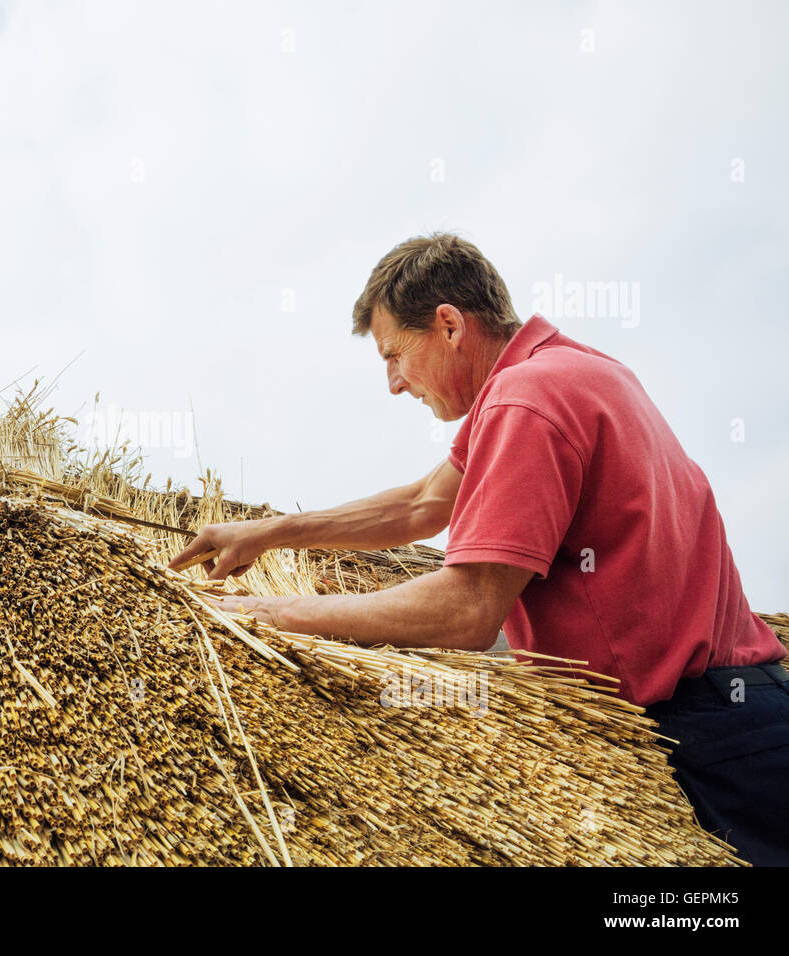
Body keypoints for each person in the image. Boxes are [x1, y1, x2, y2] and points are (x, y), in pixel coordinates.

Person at [169, 232, 788, 864]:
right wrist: (268, 532)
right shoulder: (572, 372)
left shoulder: (527, 400)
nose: (393, 384)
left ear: (447, 325)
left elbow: (467, 611)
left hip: (710, 737)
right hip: (747, 709)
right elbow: (421, 505)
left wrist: (274, 616)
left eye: (394, 356)